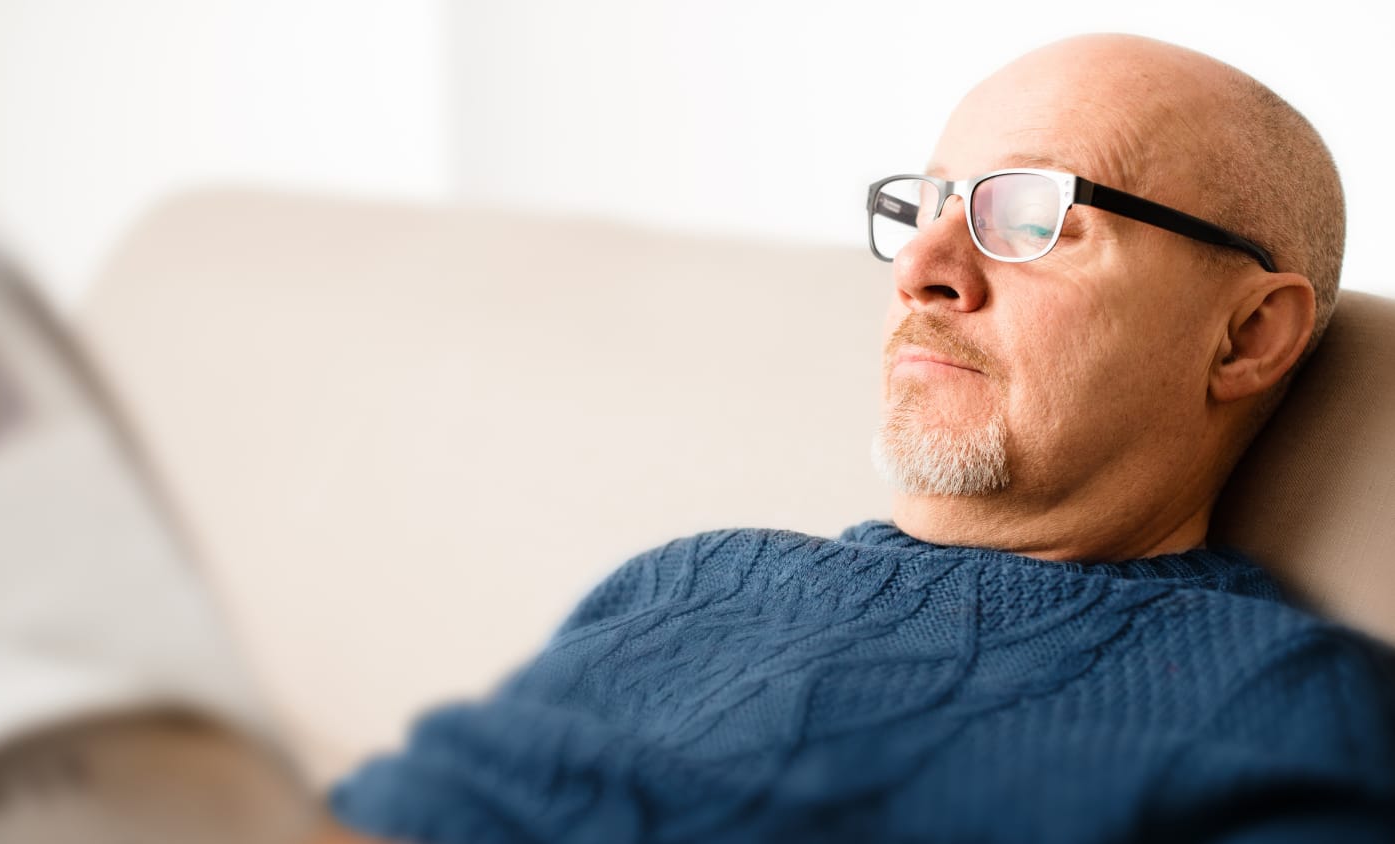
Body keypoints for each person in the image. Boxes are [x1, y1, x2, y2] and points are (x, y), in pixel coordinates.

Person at [315, 34, 1395, 843]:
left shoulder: (1283, 702)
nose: (922, 265)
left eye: (1028, 213)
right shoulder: (680, 581)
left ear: (1249, 335)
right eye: (929, 204)